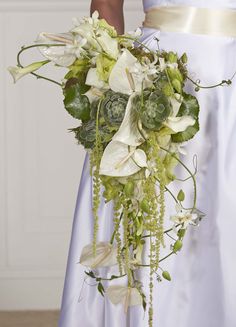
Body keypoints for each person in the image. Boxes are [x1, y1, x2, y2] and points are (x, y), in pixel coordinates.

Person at [58, 1, 236, 326]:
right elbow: (108, 3)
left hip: (229, 81)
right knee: (152, 219)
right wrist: (107, 74)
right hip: (157, 72)